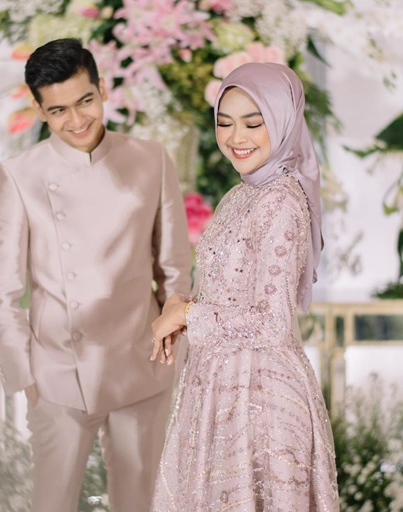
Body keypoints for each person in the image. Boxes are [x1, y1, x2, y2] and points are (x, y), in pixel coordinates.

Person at [0, 38, 192, 511]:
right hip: (57, 375)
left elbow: (176, 269)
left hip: (143, 365)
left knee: (140, 502)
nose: (76, 121)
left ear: (101, 89)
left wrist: (174, 351)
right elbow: (0, 291)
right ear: (38, 110)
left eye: (85, 102)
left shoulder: (152, 158)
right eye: (57, 111)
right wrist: (27, 378)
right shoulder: (18, 175)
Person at [150, 62, 338, 510]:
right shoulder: (242, 193)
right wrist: (186, 305)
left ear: (284, 123)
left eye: (255, 123)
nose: (237, 137)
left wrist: (189, 315)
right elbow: (234, 293)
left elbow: (273, 324)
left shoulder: (282, 201)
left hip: (263, 401)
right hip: (222, 388)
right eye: (225, 122)